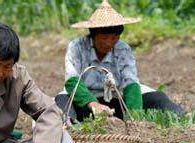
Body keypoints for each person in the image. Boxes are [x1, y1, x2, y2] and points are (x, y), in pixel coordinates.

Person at [55, 0, 185, 122]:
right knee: (61, 103)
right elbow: (72, 81)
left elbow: (130, 82)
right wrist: (94, 104)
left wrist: (134, 117)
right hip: (85, 102)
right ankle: (69, 127)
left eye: (114, 37)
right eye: (105, 37)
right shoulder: (77, 47)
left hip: (118, 99)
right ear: (93, 34)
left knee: (158, 98)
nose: (109, 43)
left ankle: (182, 118)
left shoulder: (122, 48)